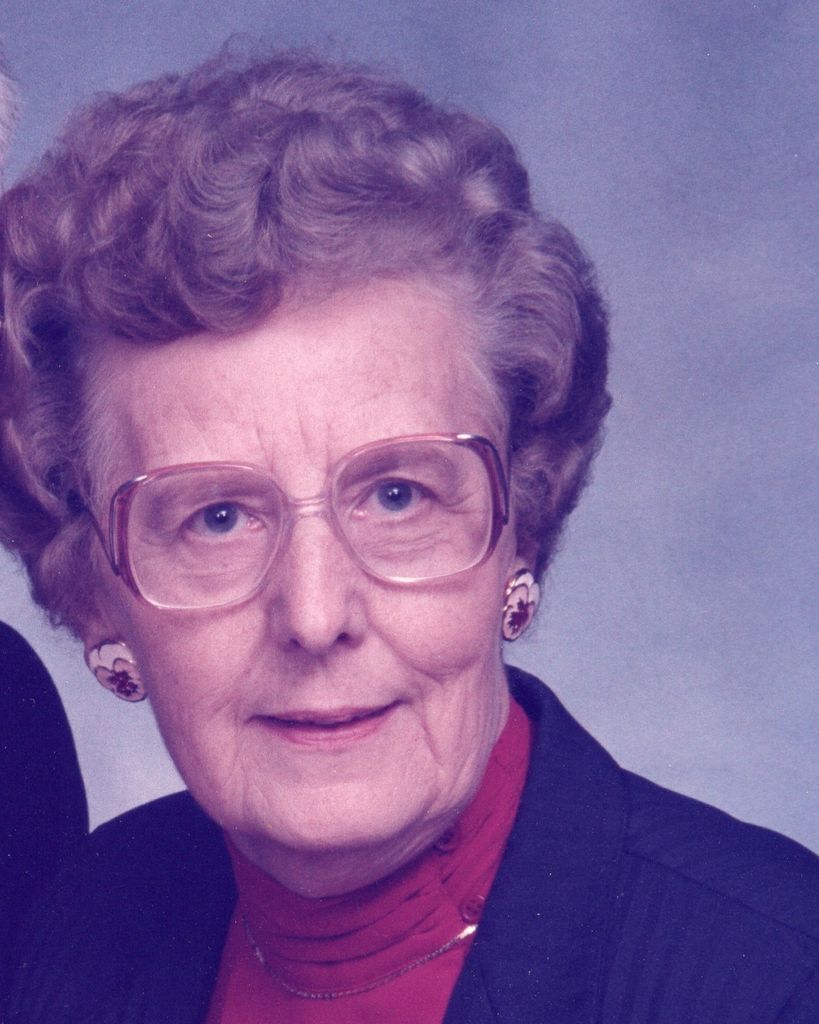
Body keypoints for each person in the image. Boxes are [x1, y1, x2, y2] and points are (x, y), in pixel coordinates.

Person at [1, 47, 817, 1024]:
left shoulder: (775, 980)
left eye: (396, 496)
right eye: (216, 517)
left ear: (518, 524)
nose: (315, 615)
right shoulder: (80, 927)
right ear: (95, 588)